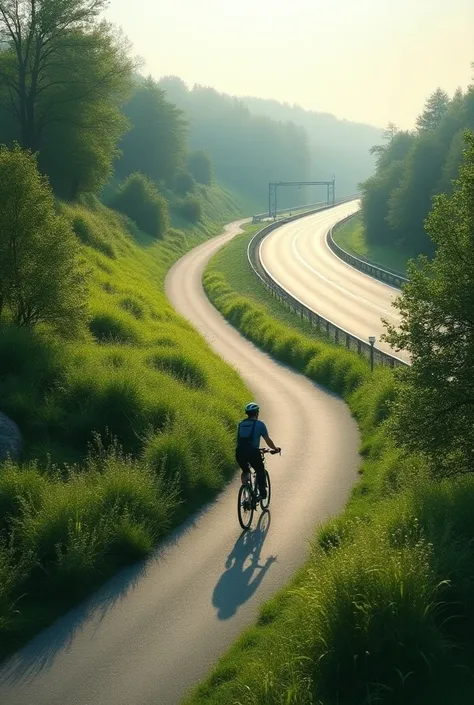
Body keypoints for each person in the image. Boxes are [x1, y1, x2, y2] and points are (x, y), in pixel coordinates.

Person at [236, 402, 280, 500]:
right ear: (256, 413)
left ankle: (246, 490)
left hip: (239, 452)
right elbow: (267, 440)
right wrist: (275, 449)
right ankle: (263, 493)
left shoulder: (241, 424)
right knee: (260, 470)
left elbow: (239, 440)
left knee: (246, 470)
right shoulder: (260, 424)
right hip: (253, 453)